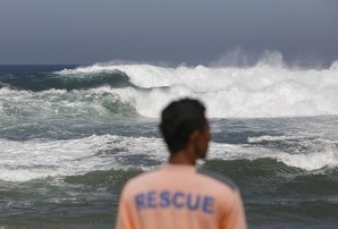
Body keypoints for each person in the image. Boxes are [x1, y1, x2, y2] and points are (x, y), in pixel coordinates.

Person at [116, 98, 247, 229]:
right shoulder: (223, 192)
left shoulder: (135, 190)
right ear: (195, 136)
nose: (209, 137)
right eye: (207, 130)